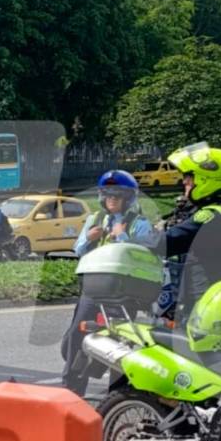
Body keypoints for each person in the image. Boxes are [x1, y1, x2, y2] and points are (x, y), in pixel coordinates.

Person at [59, 169, 155, 396]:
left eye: (117, 196)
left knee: (120, 341)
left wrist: (122, 237)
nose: (111, 200)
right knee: (76, 334)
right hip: (94, 288)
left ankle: (117, 395)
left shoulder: (139, 224)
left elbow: (147, 256)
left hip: (124, 291)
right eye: (108, 195)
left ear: (127, 198)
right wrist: (88, 238)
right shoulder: (95, 219)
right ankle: (71, 387)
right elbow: (78, 249)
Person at [160, 143, 221, 322]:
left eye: (189, 177)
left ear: (208, 179)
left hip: (205, 300)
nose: (185, 182)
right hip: (205, 296)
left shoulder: (212, 216)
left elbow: (169, 241)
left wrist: (130, 242)